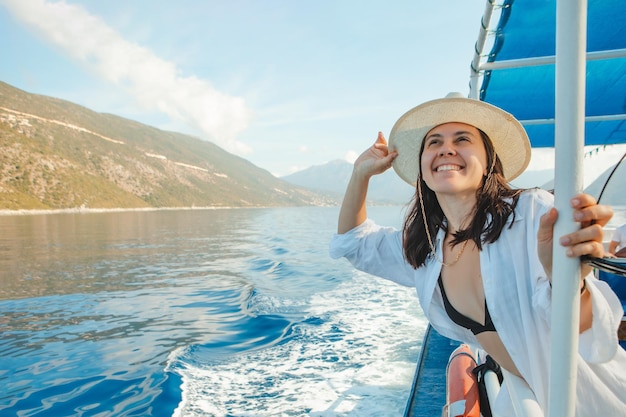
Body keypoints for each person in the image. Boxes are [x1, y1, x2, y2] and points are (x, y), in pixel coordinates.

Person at [329, 93, 626, 416]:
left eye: (462, 139)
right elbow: (354, 243)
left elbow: (591, 330)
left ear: (488, 163)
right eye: (434, 142)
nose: (446, 148)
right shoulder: (426, 246)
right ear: (423, 172)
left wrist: (565, 279)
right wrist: (361, 175)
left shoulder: (533, 214)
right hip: (523, 397)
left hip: (592, 395)